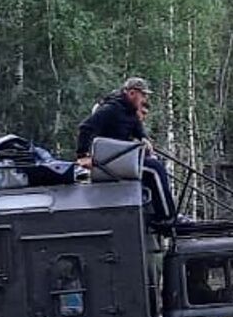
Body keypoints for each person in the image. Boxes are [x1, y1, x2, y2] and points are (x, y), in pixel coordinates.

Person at [75, 75, 176, 223]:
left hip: (122, 158)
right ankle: (167, 217)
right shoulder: (111, 109)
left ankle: (163, 211)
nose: (145, 100)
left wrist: (144, 138)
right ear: (132, 93)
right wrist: (82, 155)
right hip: (108, 162)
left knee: (156, 162)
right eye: (143, 95)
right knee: (154, 169)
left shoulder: (130, 111)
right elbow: (85, 128)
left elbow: (137, 129)